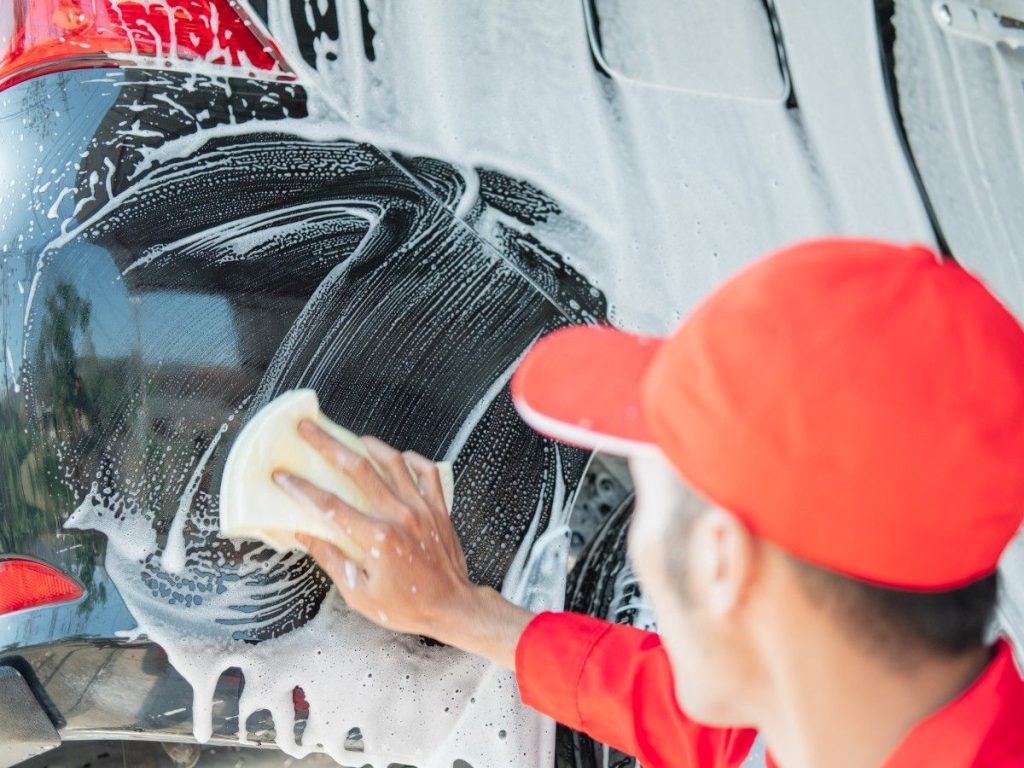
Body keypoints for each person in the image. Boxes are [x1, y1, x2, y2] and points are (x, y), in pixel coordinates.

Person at [272, 238, 1024, 767]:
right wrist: (459, 613)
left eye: (646, 487)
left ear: (721, 559)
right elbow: (694, 719)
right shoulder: (841, 721)